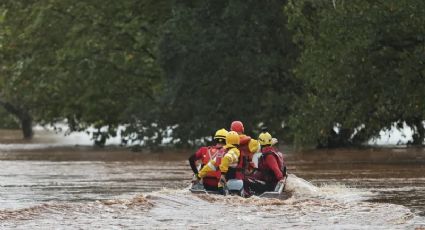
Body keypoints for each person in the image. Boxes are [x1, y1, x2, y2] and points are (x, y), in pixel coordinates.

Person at [244, 131, 287, 196]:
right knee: (247, 177)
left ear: (260, 143)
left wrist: (281, 179)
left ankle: (247, 196)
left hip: (270, 185)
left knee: (244, 180)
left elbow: (276, 169)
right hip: (270, 182)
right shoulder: (270, 152)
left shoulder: (268, 156)